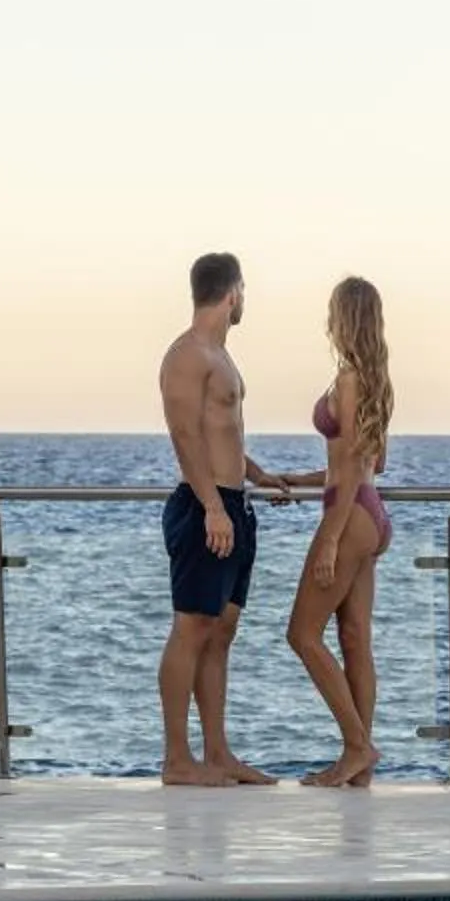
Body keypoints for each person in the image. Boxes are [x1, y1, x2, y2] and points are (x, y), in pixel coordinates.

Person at [157, 254, 321, 787]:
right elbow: (185, 436)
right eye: (244, 292)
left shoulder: (221, 357)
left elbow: (222, 434)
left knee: (222, 631)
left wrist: (257, 474)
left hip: (235, 505)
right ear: (233, 293)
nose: (245, 301)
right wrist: (210, 507)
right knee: (191, 627)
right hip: (206, 508)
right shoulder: (187, 355)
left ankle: (218, 753)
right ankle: (178, 759)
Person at [288, 275, 396, 788]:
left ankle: (357, 746)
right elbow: (375, 463)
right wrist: (295, 479)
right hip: (369, 513)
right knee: (354, 638)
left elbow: (351, 466)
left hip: (348, 516)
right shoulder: (375, 381)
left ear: (343, 318)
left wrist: (329, 537)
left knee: (302, 634)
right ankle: (359, 767)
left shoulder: (350, 380)